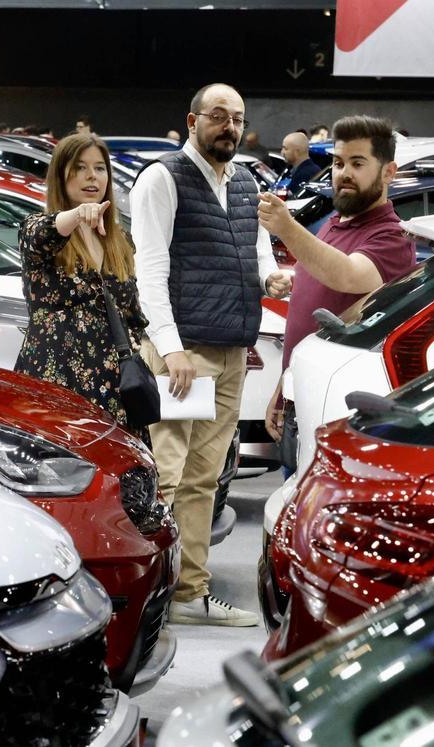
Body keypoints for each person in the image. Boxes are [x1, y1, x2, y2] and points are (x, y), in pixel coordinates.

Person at [132, 83, 292, 627]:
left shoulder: (245, 181)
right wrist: (171, 349)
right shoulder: (162, 178)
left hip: (229, 352)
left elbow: (256, 251)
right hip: (184, 354)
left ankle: (188, 593)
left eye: (237, 118)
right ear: (193, 119)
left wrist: (271, 277)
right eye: (218, 116)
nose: (228, 125)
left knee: (204, 480)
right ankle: (144, 595)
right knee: (167, 477)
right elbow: (149, 270)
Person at [257, 115, 415, 446]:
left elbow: (347, 274)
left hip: (340, 410)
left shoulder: (392, 237)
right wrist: (284, 386)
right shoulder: (335, 223)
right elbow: (313, 297)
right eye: (339, 163)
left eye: (358, 163)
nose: (343, 173)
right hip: (301, 394)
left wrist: (287, 228)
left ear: (389, 172)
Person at [14, 134, 149, 441]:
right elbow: (39, 235)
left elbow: (132, 311)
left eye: (100, 168)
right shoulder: (38, 229)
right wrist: (76, 215)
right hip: (59, 381)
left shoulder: (118, 239)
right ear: (61, 175)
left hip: (115, 386)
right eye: (80, 167)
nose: (92, 176)